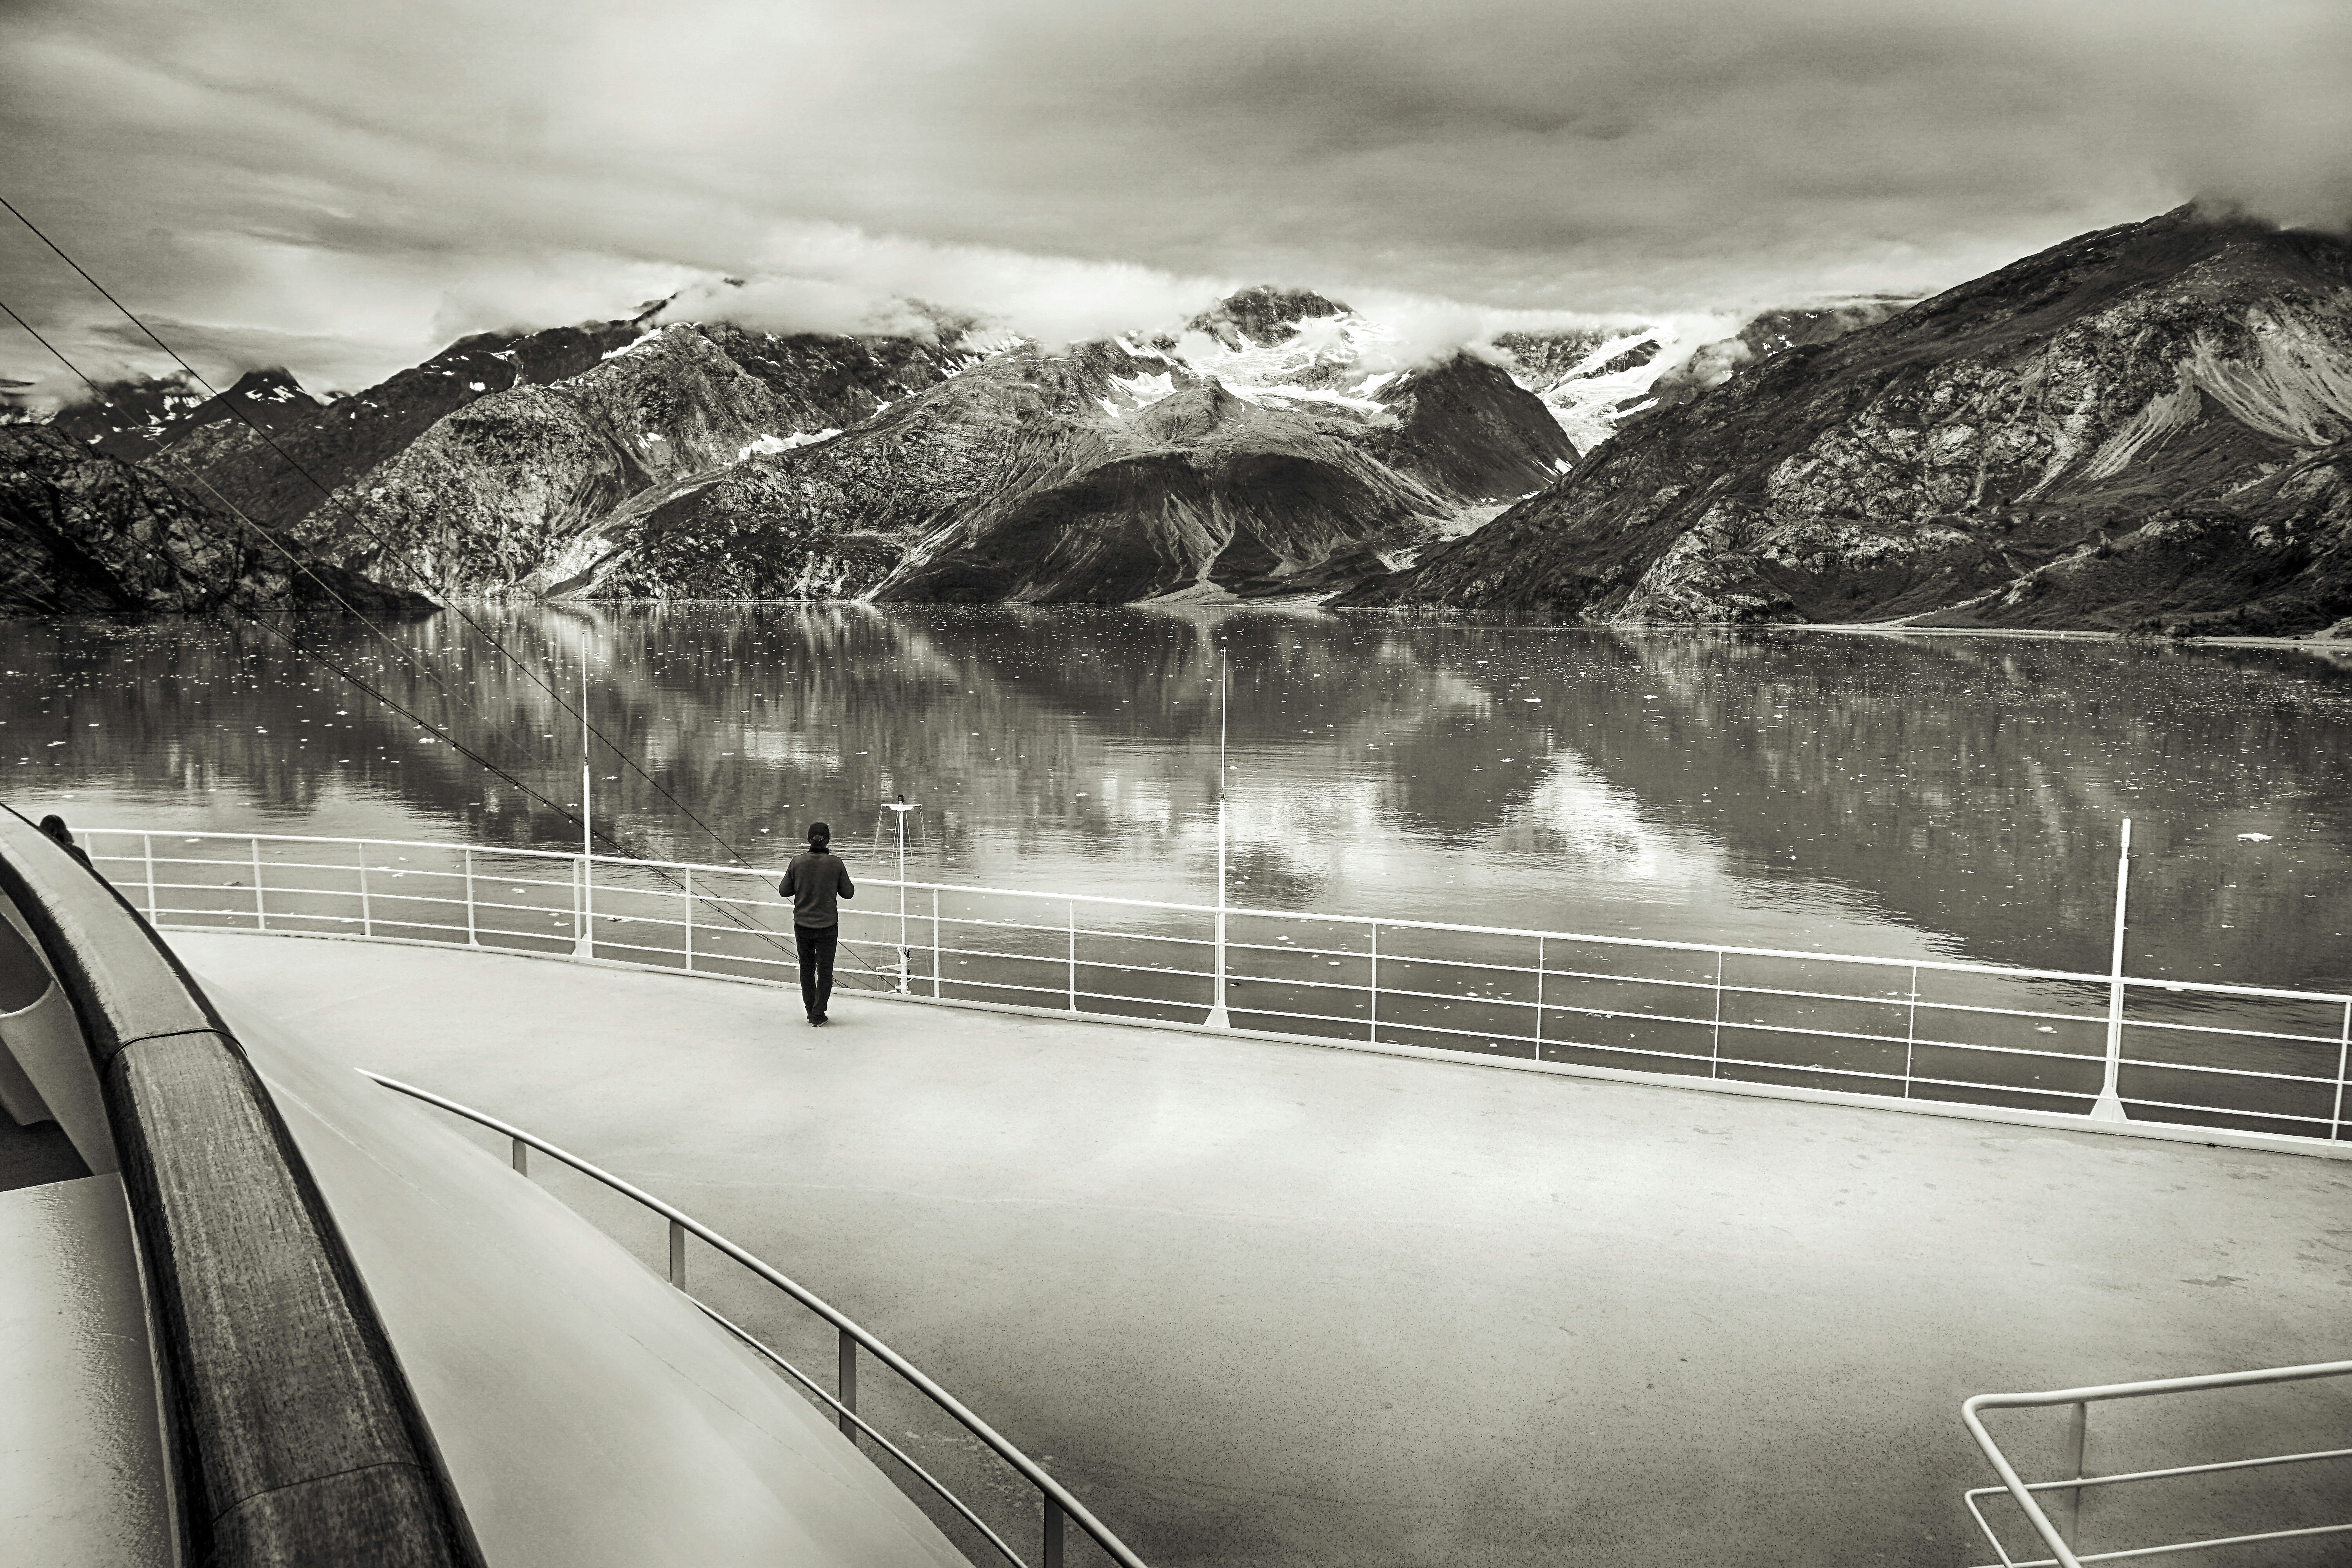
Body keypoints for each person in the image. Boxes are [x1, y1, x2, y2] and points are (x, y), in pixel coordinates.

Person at [779, 821, 854, 1025]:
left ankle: (810, 1010)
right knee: (825, 970)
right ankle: (818, 1013)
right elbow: (849, 893)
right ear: (828, 840)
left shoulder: (797, 862)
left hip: (802, 924)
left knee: (806, 968)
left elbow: (784, 891)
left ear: (808, 840)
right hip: (828, 926)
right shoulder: (836, 863)